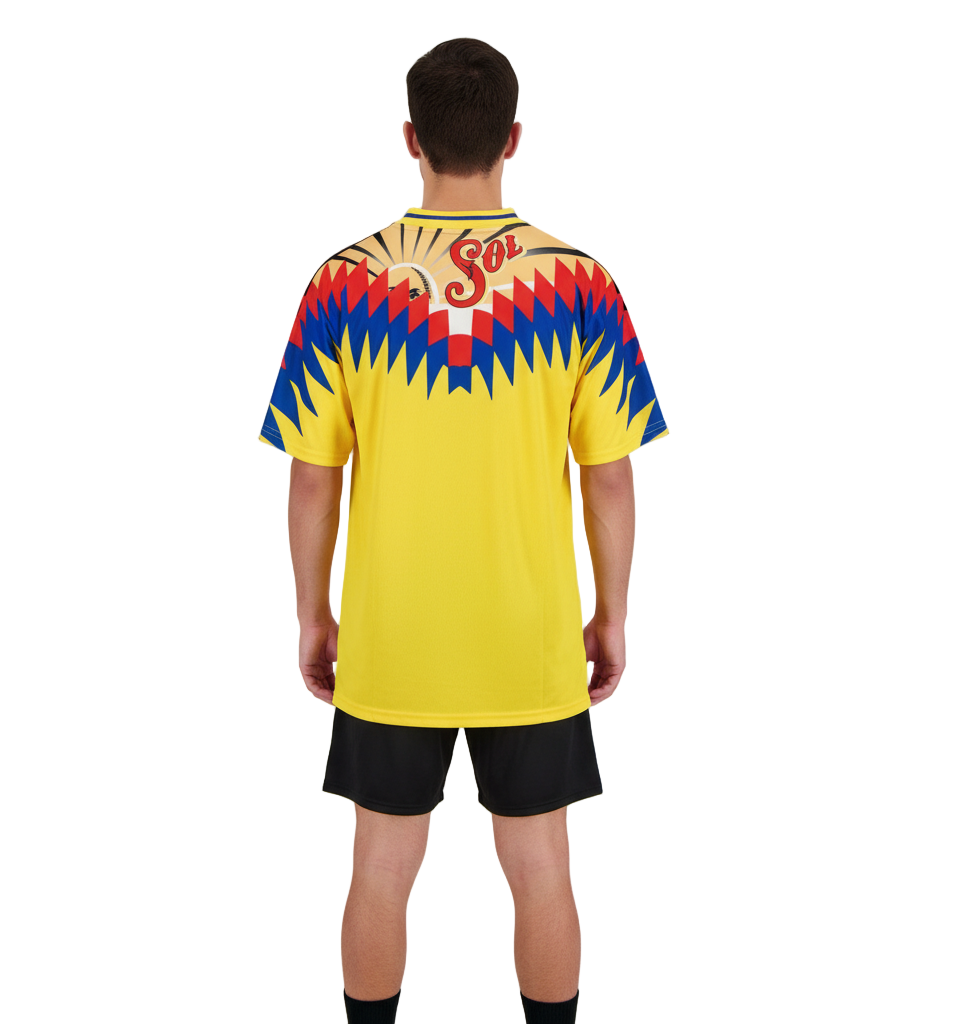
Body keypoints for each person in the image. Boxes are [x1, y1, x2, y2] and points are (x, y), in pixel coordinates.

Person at [257, 37, 668, 1024]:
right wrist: (610, 614)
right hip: (528, 636)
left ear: (412, 138)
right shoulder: (579, 287)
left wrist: (314, 615)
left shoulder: (342, 285)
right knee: (541, 866)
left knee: (379, 866)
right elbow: (608, 476)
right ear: (512, 138)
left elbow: (312, 477)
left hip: (392, 634)